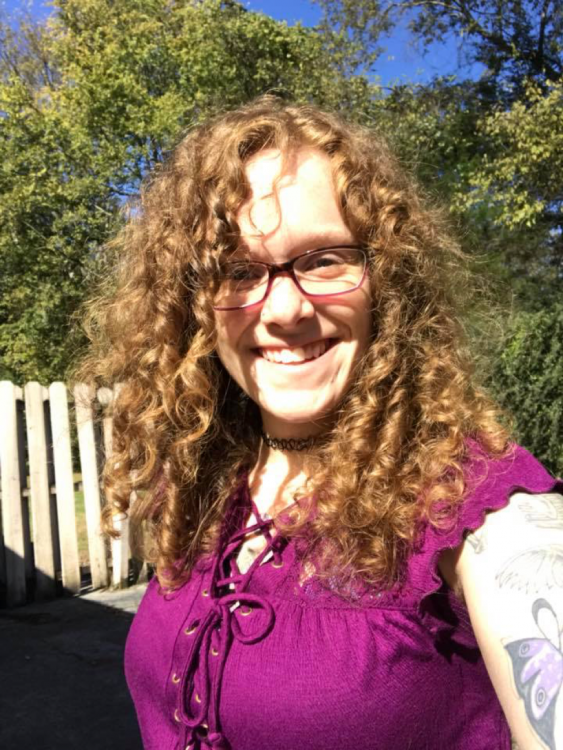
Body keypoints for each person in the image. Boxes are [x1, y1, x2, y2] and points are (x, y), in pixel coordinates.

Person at [80, 97, 563, 750]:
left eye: (322, 260)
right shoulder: (204, 478)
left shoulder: (481, 511)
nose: (281, 308)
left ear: (385, 281)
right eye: (236, 270)